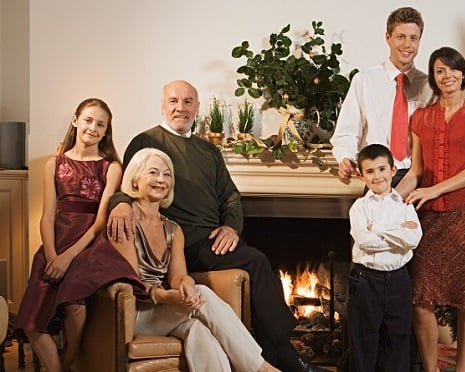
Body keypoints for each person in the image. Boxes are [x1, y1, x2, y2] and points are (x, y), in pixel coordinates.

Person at [106, 80, 324, 372]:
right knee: (257, 261)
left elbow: (230, 196)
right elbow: (128, 182)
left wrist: (231, 227)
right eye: (173, 101)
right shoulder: (146, 141)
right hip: (185, 241)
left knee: (254, 262)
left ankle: (274, 356)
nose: (180, 108)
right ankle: (285, 355)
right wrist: (119, 204)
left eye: (187, 102)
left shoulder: (209, 151)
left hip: (215, 239)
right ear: (162, 105)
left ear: (196, 108)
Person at [63, 147, 279, 371]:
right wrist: (168, 297)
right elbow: (133, 282)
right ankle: (260, 368)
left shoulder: (173, 229)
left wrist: (185, 285)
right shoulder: (124, 221)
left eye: (167, 174)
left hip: (164, 309)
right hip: (134, 311)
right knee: (203, 294)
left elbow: (178, 276)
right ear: (135, 180)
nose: (161, 180)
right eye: (153, 173)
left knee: (199, 330)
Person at [396, 47, 465, 372]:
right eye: (440, 71)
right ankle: (430, 369)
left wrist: (433, 189)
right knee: (422, 300)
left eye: (453, 69)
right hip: (430, 218)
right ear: (433, 78)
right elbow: (416, 171)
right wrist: (386, 198)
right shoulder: (420, 118)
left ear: (463, 74)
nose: (447, 76)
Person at [330, 6, 465, 185]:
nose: (407, 45)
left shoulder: (431, 85)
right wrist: (346, 157)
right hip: (380, 177)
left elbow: (452, 124)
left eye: (413, 38)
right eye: (401, 37)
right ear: (388, 37)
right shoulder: (364, 81)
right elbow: (346, 132)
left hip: (419, 177)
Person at [15, 98, 123, 372]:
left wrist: (67, 257)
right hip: (56, 241)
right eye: (88, 120)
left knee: (75, 303)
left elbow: (101, 221)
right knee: (29, 318)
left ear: (106, 131)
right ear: (75, 121)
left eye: (101, 124)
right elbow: (47, 215)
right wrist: (51, 254)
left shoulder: (111, 167)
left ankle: (68, 361)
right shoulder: (54, 163)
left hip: (89, 244)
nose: (93, 128)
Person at [347, 144, 422, 372]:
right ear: (361, 176)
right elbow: (365, 241)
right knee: (363, 341)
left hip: (399, 280)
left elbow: (413, 239)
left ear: (393, 170)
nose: (377, 176)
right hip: (366, 281)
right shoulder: (358, 208)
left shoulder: (405, 205)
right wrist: (396, 231)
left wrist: (377, 228)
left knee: (397, 340)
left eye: (382, 169)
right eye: (370, 172)